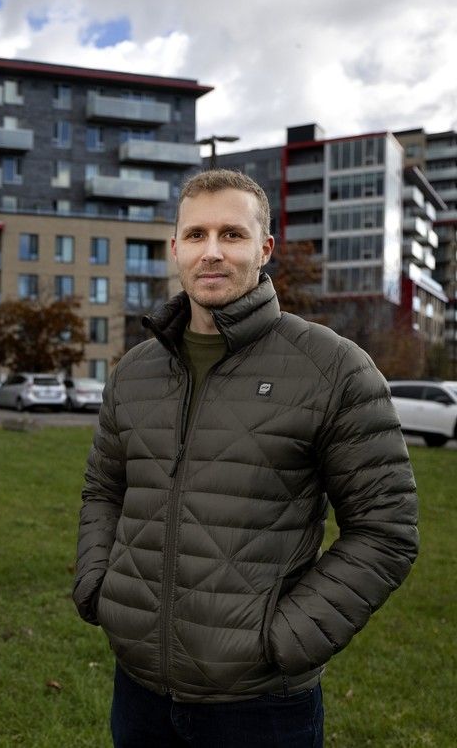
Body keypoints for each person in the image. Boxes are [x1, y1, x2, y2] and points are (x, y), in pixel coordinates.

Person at [72, 169, 418, 747]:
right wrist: (96, 585)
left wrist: (285, 640)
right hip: (138, 690)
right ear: (176, 247)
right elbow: (104, 490)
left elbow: (387, 530)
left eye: (232, 234)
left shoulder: (333, 368)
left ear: (265, 248)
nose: (212, 251)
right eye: (197, 234)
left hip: (260, 706)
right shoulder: (135, 371)